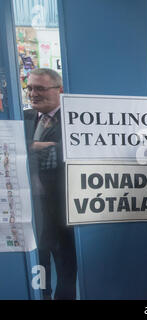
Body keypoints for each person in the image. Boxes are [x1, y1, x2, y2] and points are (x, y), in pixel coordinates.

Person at [23, 68, 77, 300]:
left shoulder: (76, 119)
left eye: (40, 88)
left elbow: (68, 151)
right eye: (30, 88)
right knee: (38, 263)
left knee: (66, 268)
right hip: (32, 211)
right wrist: (33, 146)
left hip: (64, 211)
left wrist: (33, 149)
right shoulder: (22, 117)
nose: (33, 94)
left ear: (60, 90)